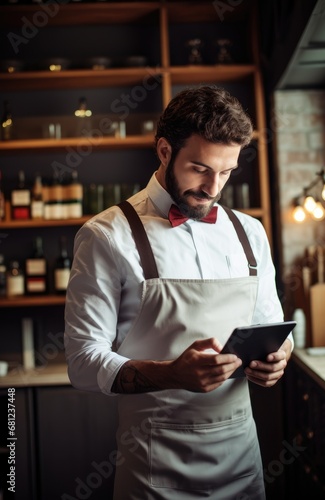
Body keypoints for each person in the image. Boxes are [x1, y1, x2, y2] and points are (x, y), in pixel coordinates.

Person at [64, 85, 294, 500]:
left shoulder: (250, 232)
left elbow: (272, 325)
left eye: (226, 172)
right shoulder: (105, 235)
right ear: (165, 151)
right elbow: (82, 364)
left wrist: (279, 357)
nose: (213, 188)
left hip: (242, 460)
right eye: (201, 168)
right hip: (155, 470)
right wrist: (172, 373)